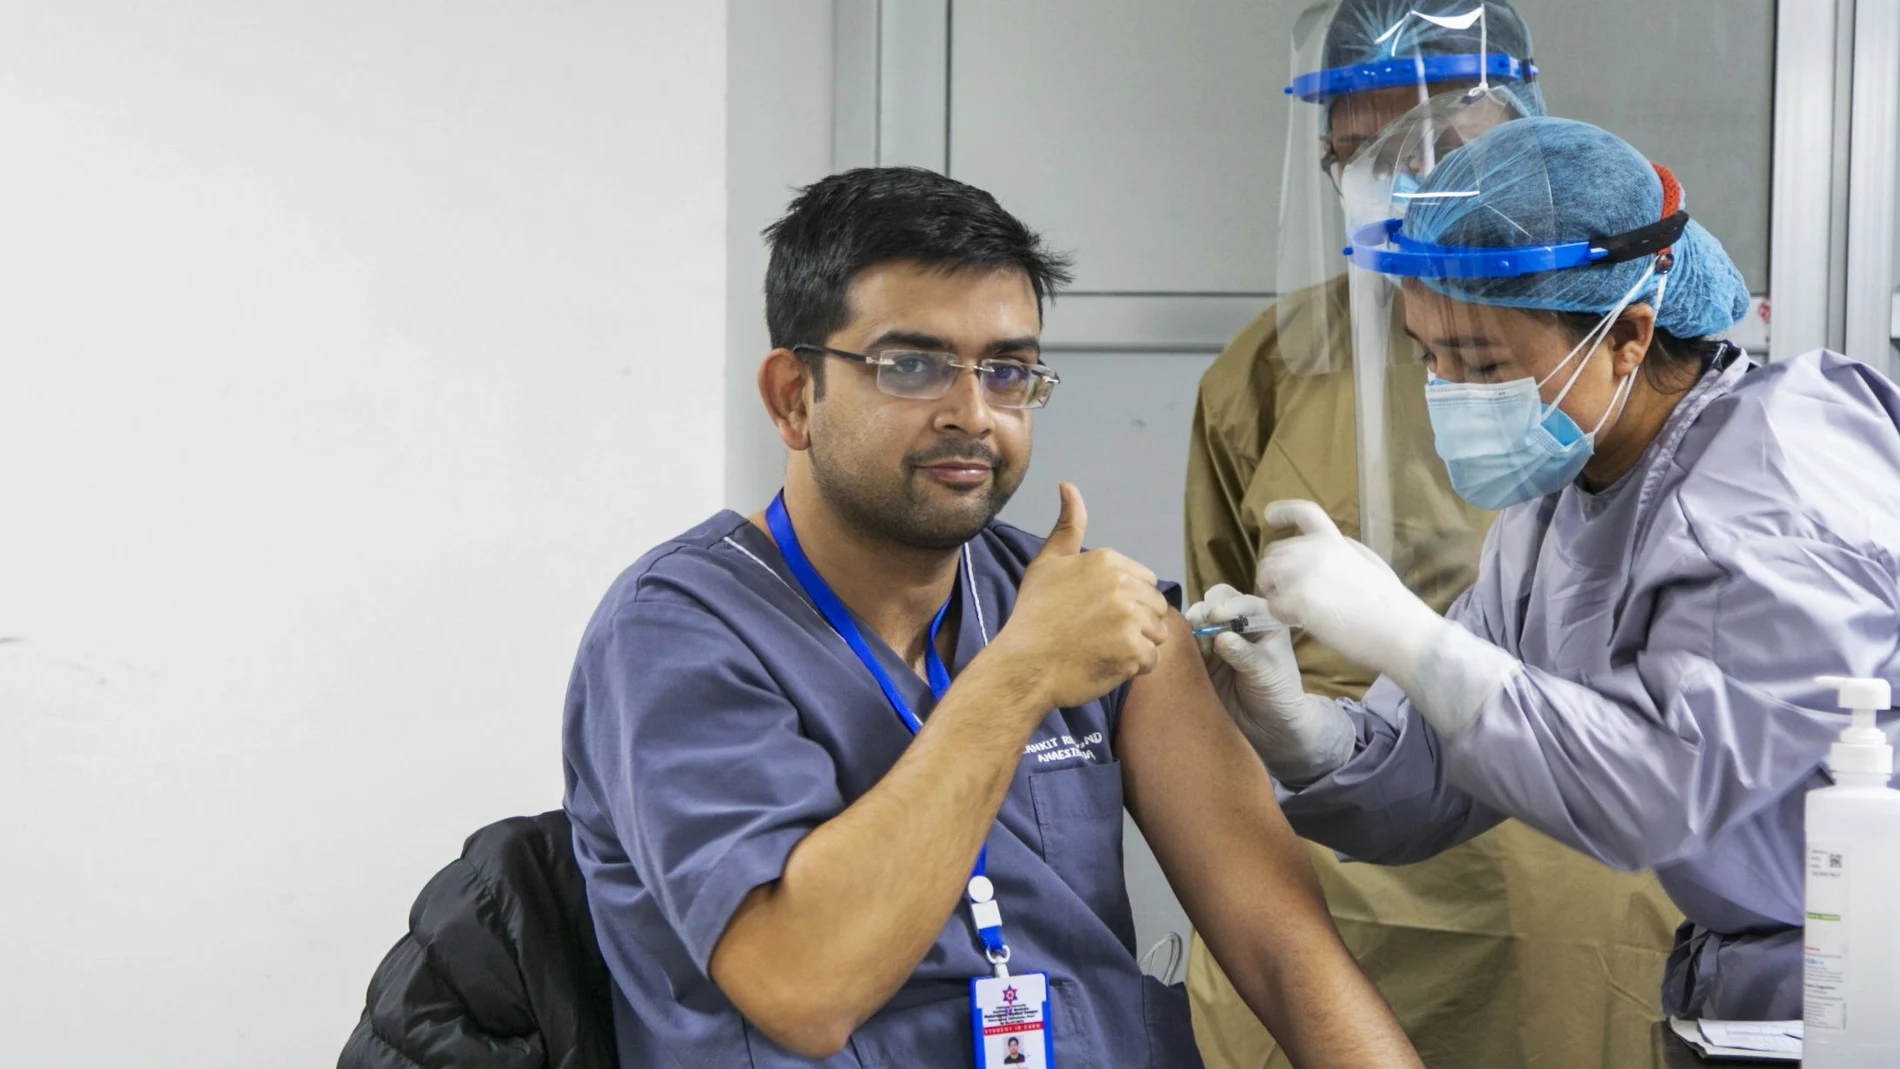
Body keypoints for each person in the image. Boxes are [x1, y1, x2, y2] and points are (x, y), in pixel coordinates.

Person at [564, 166, 1423, 1068]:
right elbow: (802, 989)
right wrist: (1020, 675)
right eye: (912, 366)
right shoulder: (677, 632)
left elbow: (1288, 953)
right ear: (794, 396)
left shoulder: (1089, 607)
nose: (973, 414)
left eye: (1007, 371)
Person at [1193, 115, 1900, 1022]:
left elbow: (1660, 792)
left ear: (1629, 334)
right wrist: (1304, 732)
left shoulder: (1782, 485)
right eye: (1431, 358)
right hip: (1773, 986)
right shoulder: (1559, 505)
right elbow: (1453, 766)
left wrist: (1408, 635)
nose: (1450, 390)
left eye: (1481, 360)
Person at [1185, 3, 1678, 1066]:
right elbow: (1212, 661)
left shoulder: (1627, 346)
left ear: (1518, 126)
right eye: (1355, 157)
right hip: (1335, 902)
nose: (1395, 180)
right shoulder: (1270, 371)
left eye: (1429, 146)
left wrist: (1412, 638)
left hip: (1574, 900)